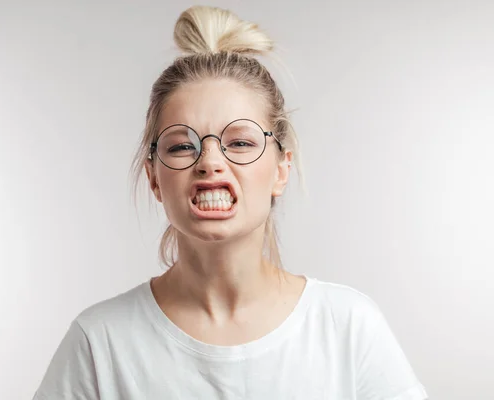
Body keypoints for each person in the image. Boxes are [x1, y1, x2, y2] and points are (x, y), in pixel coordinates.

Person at [33, 5, 427, 399]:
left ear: (280, 170)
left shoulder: (348, 327)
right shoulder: (99, 342)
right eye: (182, 145)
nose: (210, 163)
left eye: (239, 142)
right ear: (154, 176)